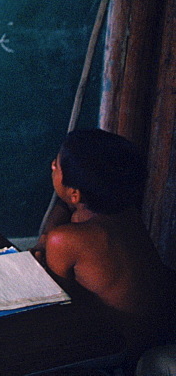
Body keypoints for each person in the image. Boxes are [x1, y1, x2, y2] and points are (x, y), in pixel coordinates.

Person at [34, 129, 175, 363]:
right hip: (158, 327)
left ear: (76, 194)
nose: (52, 165)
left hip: (122, 348)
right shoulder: (127, 212)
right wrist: (65, 201)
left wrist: (43, 246)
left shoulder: (66, 240)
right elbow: (68, 211)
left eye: (56, 165)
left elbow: (58, 304)